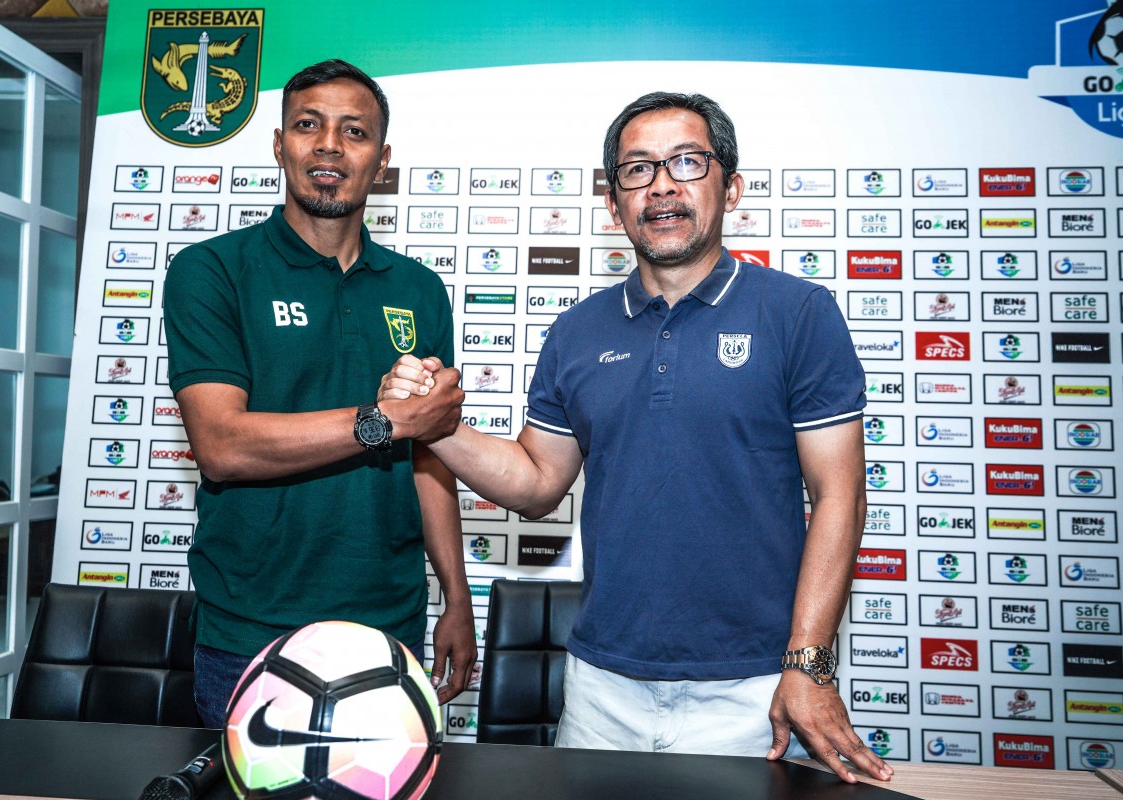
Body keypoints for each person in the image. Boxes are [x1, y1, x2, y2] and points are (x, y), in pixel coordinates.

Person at [380, 92, 893, 783]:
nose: (662, 186)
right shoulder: (576, 332)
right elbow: (536, 482)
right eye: (638, 169)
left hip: (756, 689)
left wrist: (808, 663)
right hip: (601, 689)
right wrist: (434, 426)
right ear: (613, 204)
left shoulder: (799, 313)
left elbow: (841, 497)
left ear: (731, 188)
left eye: (687, 162)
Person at [164, 59, 476, 729]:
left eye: (354, 131)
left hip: (388, 625)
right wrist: (382, 421)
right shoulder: (211, 270)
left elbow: (429, 451)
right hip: (251, 629)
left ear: (381, 160)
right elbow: (221, 445)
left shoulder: (419, 289)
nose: (330, 145)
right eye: (309, 126)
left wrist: (456, 596)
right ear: (280, 146)